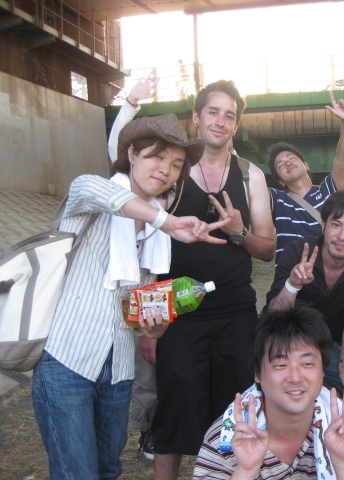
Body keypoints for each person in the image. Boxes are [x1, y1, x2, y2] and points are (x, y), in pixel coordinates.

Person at [31, 114, 230, 479]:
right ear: (133, 154)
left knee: (108, 468)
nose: (166, 169)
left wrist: (154, 328)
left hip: (119, 368)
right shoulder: (91, 193)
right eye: (157, 156)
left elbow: (139, 316)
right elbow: (106, 196)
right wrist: (166, 221)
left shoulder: (155, 235)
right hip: (65, 360)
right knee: (77, 473)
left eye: (176, 164)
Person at [151, 80, 276, 480]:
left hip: (236, 312)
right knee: (172, 415)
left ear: (236, 124)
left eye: (229, 115)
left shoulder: (250, 176)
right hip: (178, 313)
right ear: (196, 117)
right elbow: (148, 246)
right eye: (213, 112)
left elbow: (268, 249)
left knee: (238, 415)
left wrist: (240, 233)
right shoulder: (172, 171)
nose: (220, 121)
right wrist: (150, 326)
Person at [192, 305, 344, 479]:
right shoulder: (227, 438)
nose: (295, 378)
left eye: (307, 364)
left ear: (323, 370)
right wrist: (245, 471)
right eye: (280, 365)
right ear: (257, 373)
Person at [266, 191, 344, 442]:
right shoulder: (298, 251)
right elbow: (273, 315)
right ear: (323, 226)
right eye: (336, 225)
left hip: (328, 348)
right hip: (284, 341)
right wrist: (293, 284)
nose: (342, 236)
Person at [108, 76, 160, 460]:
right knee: (120, 375)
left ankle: (151, 430)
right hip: (111, 298)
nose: (161, 168)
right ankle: (142, 432)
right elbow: (116, 147)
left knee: (148, 370)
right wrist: (130, 103)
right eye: (153, 157)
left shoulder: (165, 199)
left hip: (148, 292)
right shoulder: (115, 189)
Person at [267, 91, 344, 265]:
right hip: (289, 277)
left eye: (291, 158)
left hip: (326, 275)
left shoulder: (328, 191)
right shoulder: (277, 199)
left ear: (306, 165)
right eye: (280, 164)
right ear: (280, 181)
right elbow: (246, 181)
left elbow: (342, 160)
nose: (287, 163)